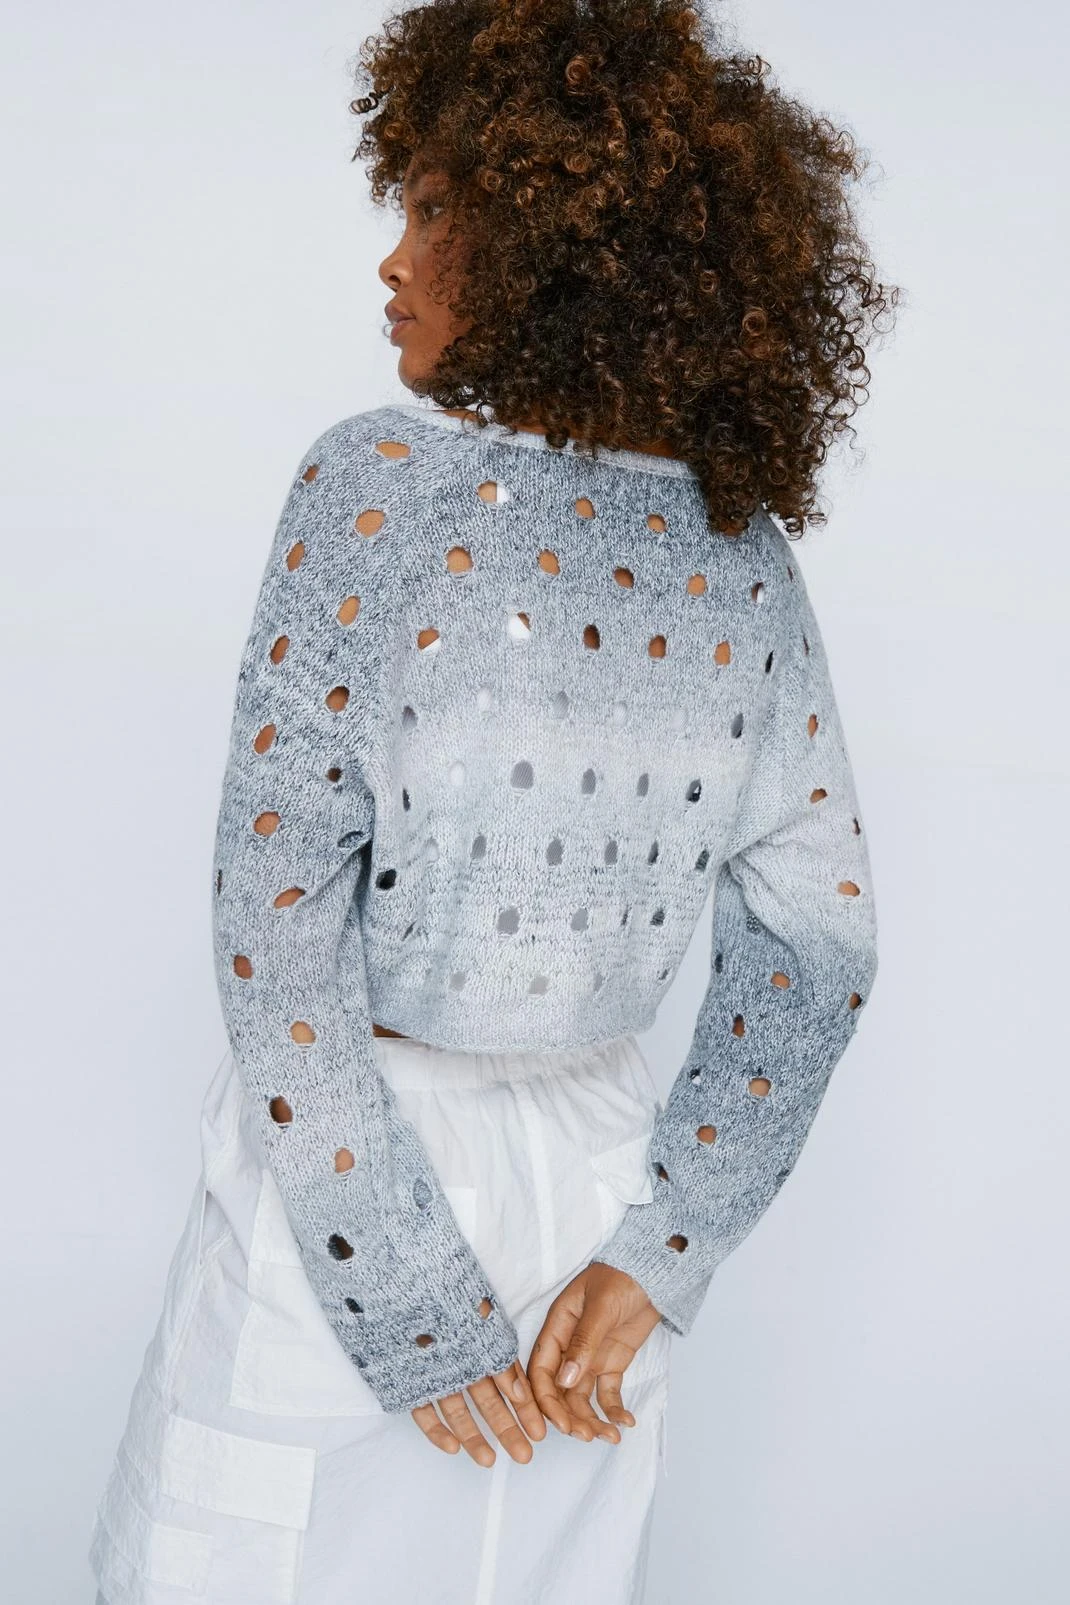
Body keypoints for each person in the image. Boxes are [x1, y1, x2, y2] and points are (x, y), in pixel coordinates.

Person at [88, 2, 896, 1600]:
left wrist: (395, 1281)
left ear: (552, 246)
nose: (392, 262)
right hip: (592, 1194)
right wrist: (660, 1247)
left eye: (437, 209)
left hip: (346, 1178)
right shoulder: (743, 562)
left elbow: (274, 923)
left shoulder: (374, 490)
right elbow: (822, 945)